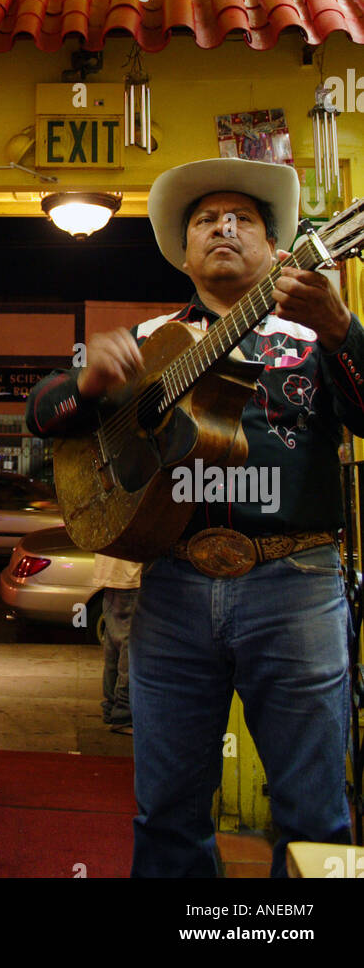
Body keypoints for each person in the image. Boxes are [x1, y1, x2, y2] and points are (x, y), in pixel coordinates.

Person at [26, 157, 360, 878]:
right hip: (173, 586)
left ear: (278, 249)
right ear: (184, 253)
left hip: (296, 581)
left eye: (243, 218)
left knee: (315, 811)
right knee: (168, 812)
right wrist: (86, 384)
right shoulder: (149, 341)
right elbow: (43, 417)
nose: (224, 228)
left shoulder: (316, 332)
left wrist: (341, 333)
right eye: (206, 220)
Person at [92, 554, 141, 736]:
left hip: (109, 574)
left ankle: (112, 707)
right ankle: (123, 713)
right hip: (130, 576)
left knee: (113, 645)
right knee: (128, 646)